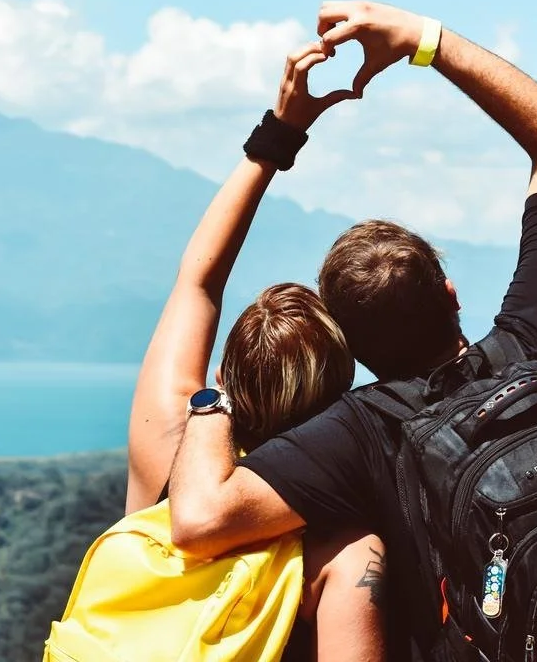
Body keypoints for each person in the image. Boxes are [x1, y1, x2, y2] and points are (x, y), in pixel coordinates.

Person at [167, 0, 537, 661]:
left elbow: (199, 518)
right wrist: (421, 40)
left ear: (350, 345)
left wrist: (215, 399)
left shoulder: (361, 432)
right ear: (450, 295)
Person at [125, 41, 384, 660]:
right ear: (340, 395)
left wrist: (281, 133)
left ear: (223, 375)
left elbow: (199, 278)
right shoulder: (343, 547)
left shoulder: (167, 444)